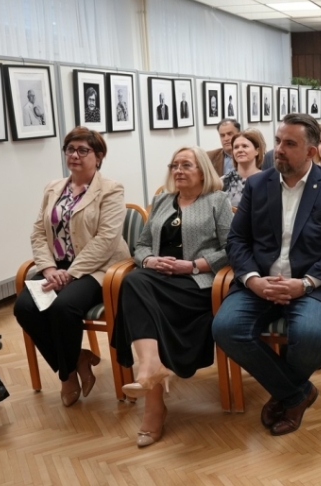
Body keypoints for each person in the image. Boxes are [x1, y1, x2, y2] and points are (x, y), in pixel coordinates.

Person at [212, 114, 321, 437]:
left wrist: (305, 283)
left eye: (289, 144)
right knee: (225, 328)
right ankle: (296, 394)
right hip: (259, 284)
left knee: (311, 336)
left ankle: (285, 394)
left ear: (311, 152)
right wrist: (252, 279)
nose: (278, 149)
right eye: (278, 141)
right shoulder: (258, 185)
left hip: (309, 286)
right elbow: (237, 240)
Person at [112, 146, 232, 447]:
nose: (178, 170)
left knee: (137, 289)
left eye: (186, 165)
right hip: (157, 280)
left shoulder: (217, 200)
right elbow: (140, 245)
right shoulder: (162, 201)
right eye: (174, 165)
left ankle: (153, 402)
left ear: (202, 171)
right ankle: (151, 372)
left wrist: (192, 265)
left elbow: (231, 248)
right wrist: (150, 260)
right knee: (135, 281)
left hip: (196, 284)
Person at [14, 127, 129, 408]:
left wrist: (71, 272)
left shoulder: (111, 189)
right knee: (25, 308)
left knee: (63, 307)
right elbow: (38, 232)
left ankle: (66, 377)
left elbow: (106, 240)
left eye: (82, 150)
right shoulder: (53, 187)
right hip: (56, 267)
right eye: (70, 149)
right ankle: (77, 359)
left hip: (98, 268)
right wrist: (48, 268)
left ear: (98, 156)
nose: (74, 155)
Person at [222, 129, 266, 207]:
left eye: (245, 146)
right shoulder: (223, 182)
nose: (240, 150)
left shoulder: (267, 180)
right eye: (236, 147)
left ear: (257, 151)